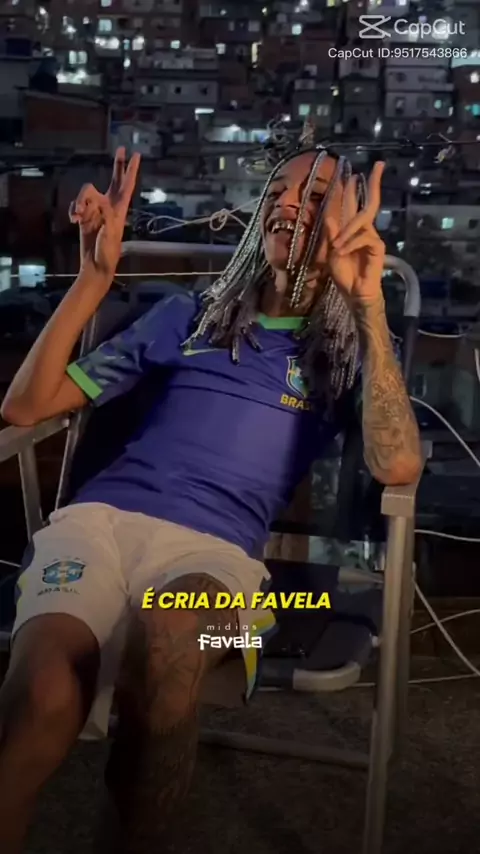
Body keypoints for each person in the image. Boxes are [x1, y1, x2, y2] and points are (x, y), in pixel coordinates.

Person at [0, 140, 422, 854]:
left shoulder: (346, 354)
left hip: (232, 582)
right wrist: (94, 279)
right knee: (41, 693)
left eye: (316, 197)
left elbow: (399, 463)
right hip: (95, 528)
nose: (290, 205)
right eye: (280, 193)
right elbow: (26, 407)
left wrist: (368, 303)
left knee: (171, 635)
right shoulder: (185, 318)